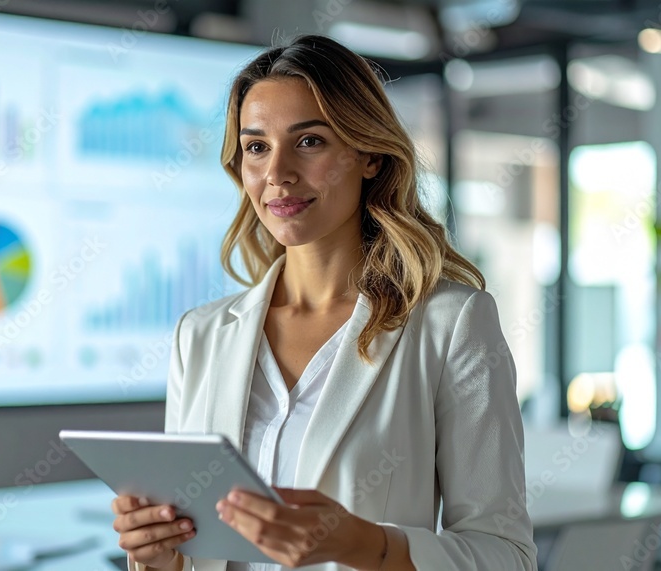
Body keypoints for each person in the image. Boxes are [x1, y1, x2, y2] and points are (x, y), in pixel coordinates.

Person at [111, 34, 537, 571]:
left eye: (309, 142)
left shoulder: (450, 325)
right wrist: (159, 557)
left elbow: (506, 556)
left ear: (370, 157)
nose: (278, 174)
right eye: (257, 146)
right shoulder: (200, 335)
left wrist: (364, 546)